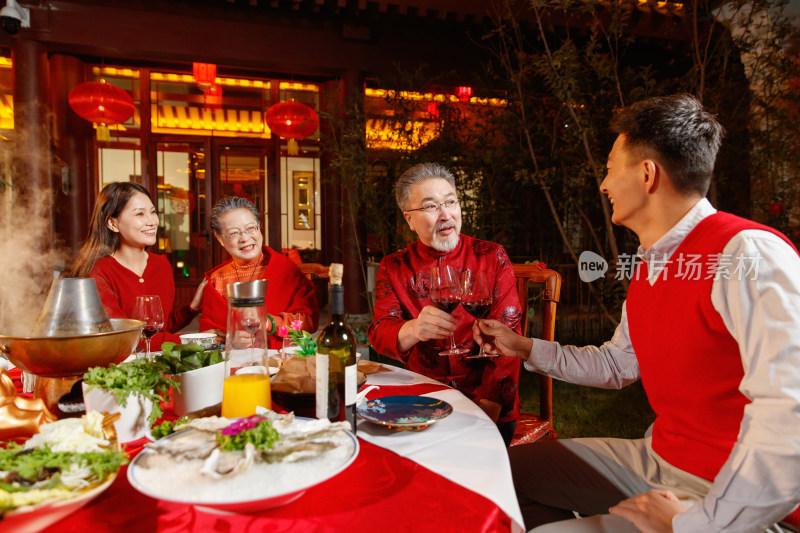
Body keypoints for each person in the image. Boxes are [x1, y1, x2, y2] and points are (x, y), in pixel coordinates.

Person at [474, 94, 800, 532]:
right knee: (499, 474)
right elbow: (618, 363)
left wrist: (700, 523)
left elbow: (791, 411)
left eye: (610, 168)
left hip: (727, 493)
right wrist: (522, 346)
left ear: (648, 174)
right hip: (658, 461)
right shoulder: (653, 265)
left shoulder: (748, 254)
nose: (604, 184)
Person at [367, 162, 522, 446]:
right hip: (421, 403)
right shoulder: (394, 266)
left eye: (450, 202)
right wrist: (414, 329)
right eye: (430, 207)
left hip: (487, 406)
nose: (445, 214)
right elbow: (379, 331)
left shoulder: (491, 257)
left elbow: (509, 342)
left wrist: (486, 414)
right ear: (409, 220)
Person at [71, 182, 205, 350]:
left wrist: (192, 308)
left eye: (153, 212)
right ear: (113, 224)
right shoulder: (98, 272)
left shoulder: (161, 265)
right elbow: (125, 338)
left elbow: (158, 329)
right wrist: (198, 342)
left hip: (155, 365)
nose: (152, 221)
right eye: (140, 214)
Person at [199, 196, 318, 350]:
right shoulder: (216, 280)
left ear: (259, 227)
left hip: (280, 361)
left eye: (250, 228)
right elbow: (207, 338)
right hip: (231, 363)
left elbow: (309, 322)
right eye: (234, 233)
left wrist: (269, 322)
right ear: (220, 238)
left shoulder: (285, 268)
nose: (245, 238)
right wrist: (230, 342)